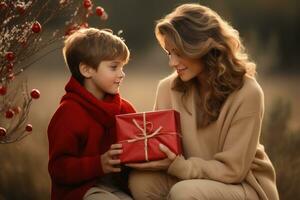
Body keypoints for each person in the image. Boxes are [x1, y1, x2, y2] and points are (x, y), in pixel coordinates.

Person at [127, 3, 279, 200]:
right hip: (191, 175)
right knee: (141, 183)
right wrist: (132, 152)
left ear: (203, 46)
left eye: (179, 52)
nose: (172, 63)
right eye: (169, 53)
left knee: (184, 193)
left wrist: (182, 167)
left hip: (243, 184)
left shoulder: (248, 93)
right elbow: (164, 151)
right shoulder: (167, 88)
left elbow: (234, 170)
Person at [47, 28, 135, 200]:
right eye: (114, 67)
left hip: (118, 187)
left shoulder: (124, 109)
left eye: (122, 67)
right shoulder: (68, 114)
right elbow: (58, 169)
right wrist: (98, 164)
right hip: (79, 191)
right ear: (87, 70)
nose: (122, 73)